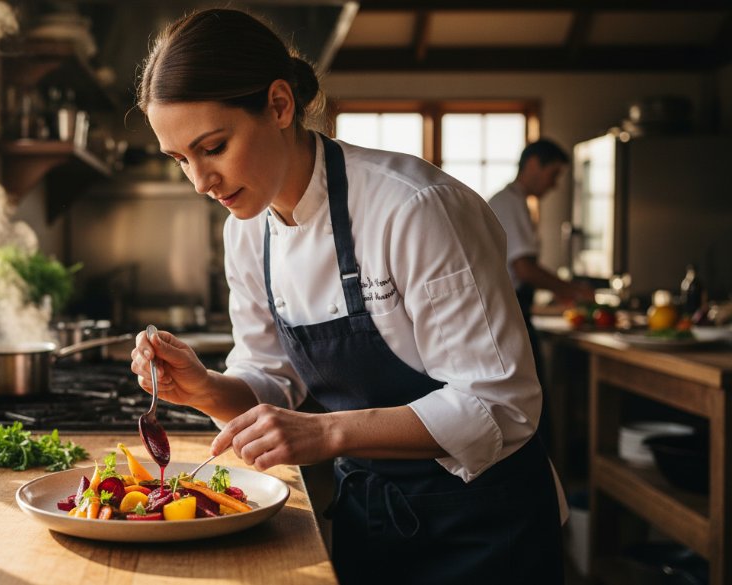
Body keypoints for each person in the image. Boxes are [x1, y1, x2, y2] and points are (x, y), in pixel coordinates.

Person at [129, 8, 564, 584]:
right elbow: (271, 378)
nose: (199, 182)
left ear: (279, 106)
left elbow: (500, 404)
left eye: (213, 147)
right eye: (181, 159)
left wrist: (327, 433)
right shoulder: (246, 229)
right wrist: (206, 388)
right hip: (372, 519)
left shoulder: (414, 209)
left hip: (486, 524)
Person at [487, 140, 594, 452]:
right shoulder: (511, 202)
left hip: (515, 309)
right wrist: (572, 291)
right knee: (530, 402)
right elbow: (524, 268)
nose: (555, 183)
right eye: (554, 173)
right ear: (533, 164)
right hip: (511, 312)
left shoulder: (514, 201)